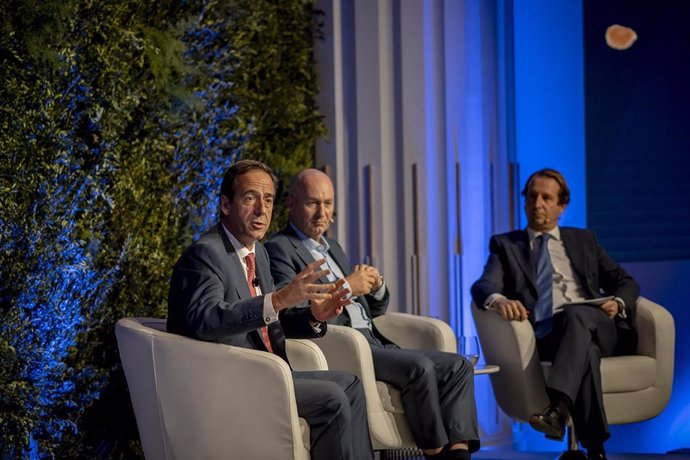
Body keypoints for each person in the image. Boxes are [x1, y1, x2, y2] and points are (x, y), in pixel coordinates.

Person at [265, 168, 480, 460]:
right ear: (291, 203)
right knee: (420, 368)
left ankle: (459, 454)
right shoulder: (279, 249)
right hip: (346, 343)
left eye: (327, 204)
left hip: (374, 338)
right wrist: (346, 286)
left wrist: (376, 286)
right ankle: (437, 453)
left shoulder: (333, 247)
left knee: (458, 366)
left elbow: (375, 309)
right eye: (312, 203)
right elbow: (292, 310)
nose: (321, 213)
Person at [167, 160, 374, 460]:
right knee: (332, 398)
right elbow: (206, 321)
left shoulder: (257, 251)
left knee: (350, 383)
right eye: (250, 198)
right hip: (231, 382)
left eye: (268, 200)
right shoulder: (206, 254)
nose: (262, 211)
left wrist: (314, 315)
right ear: (226, 204)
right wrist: (277, 300)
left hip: (271, 372)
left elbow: (269, 320)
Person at [471, 168, 640, 460]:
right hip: (549, 334)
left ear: (561, 206)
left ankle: (557, 409)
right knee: (584, 352)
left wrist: (618, 303)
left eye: (547, 198)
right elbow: (484, 285)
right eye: (532, 196)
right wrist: (499, 300)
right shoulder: (506, 245)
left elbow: (626, 282)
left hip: (599, 327)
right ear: (524, 201)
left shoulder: (583, 240)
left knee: (576, 316)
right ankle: (596, 449)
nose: (538, 203)